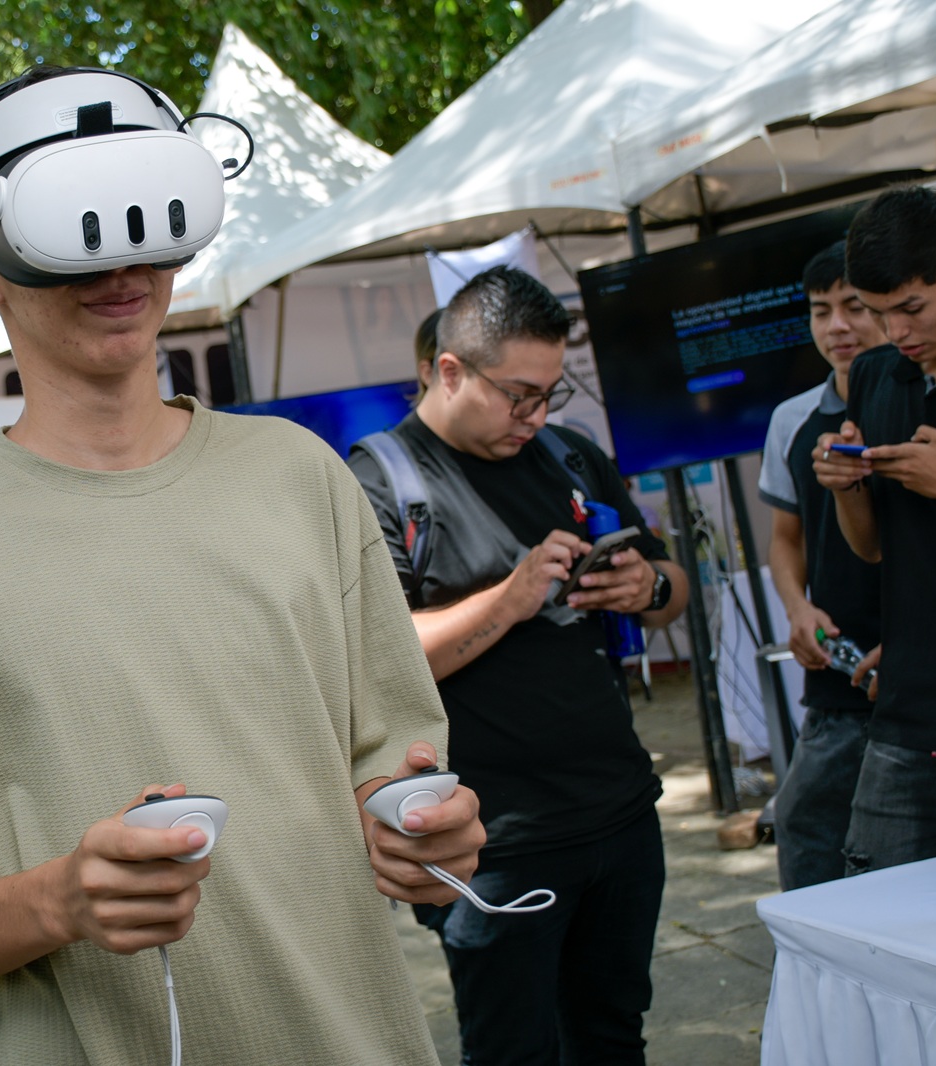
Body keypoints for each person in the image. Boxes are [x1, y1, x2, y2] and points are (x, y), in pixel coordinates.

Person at [0, 66, 484, 1065]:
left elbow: (386, 760)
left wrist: (419, 827)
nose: (120, 270)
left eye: (145, 220)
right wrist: (60, 900)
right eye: (67, 231)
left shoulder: (300, 475)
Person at [348, 266, 690, 1066]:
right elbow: (374, 662)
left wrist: (647, 588)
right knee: (512, 1051)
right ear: (450, 370)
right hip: (491, 842)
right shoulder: (375, 483)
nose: (535, 416)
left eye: (549, 394)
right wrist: (511, 598)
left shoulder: (570, 457)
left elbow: (674, 588)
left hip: (619, 811)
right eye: (518, 396)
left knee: (613, 1038)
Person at [813, 184, 936, 874]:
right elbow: (874, 547)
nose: (897, 332)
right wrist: (846, 486)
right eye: (879, 313)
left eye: (911, 309)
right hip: (909, 703)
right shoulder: (877, 375)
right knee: (877, 904)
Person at [758, 242, 888, 890]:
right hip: (840, 674)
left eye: (854, 306)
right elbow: (786, 538)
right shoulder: (793, 420)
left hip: (929, 668)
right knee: (808, 830)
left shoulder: (922, 405)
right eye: (820, 310)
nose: (837, 326)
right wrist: (797, 607)